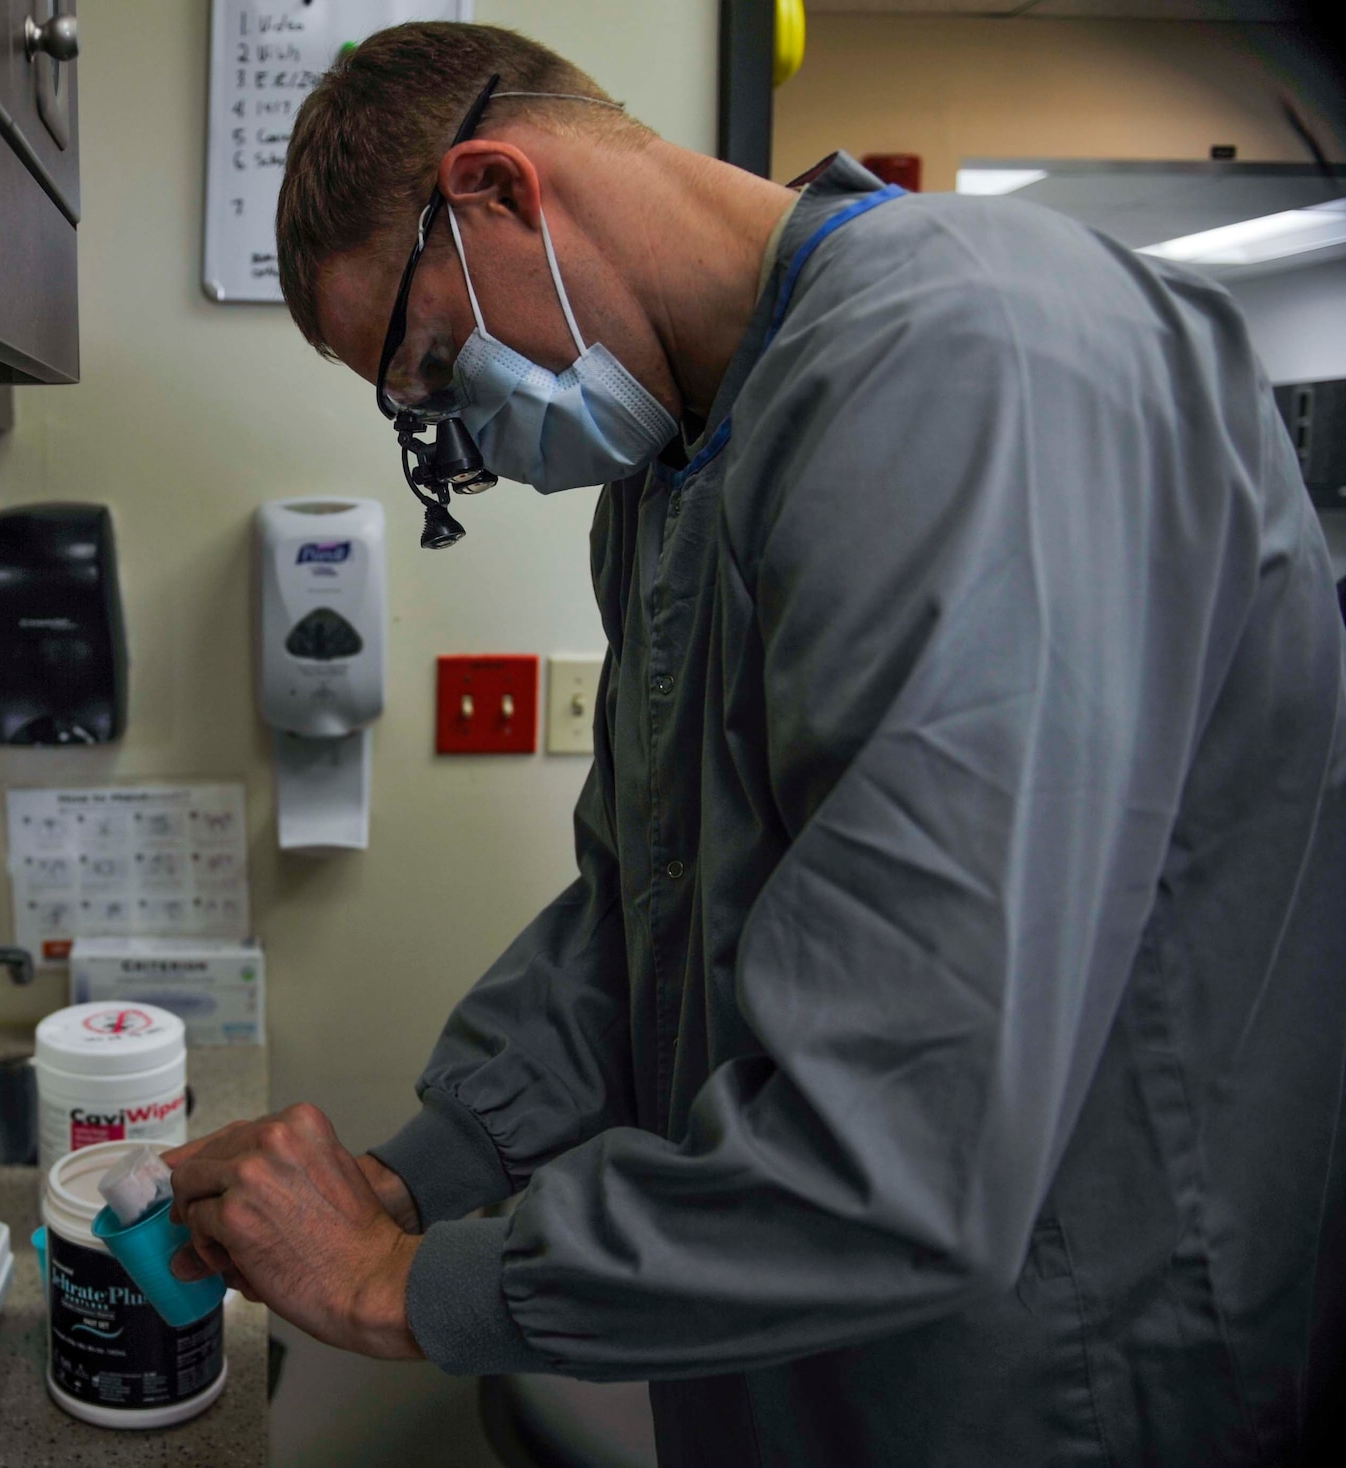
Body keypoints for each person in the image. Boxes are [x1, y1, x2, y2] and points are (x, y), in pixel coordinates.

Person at [164, 22, 1346, 1466]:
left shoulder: (970, 363)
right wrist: (410, 1180)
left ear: (498, 192)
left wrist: (396, 1283)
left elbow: (907, 1129)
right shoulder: (673, 477)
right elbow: (634, 918)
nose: (467, 443)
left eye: (438, 369)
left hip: (1054, 1373)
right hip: (802, 1353)